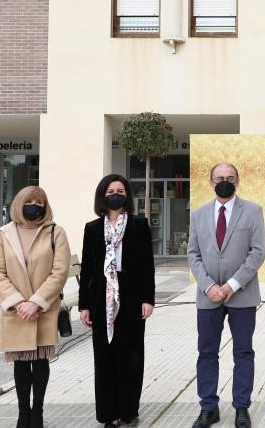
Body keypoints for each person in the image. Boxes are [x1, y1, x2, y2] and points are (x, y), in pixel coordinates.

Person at [188, 163, 265, 428]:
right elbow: (193, 254)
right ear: (210, 182)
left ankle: (241, 407)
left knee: (243, 352)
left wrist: (232, 285)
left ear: (238, 181)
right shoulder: (198, 215)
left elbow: (257, 253)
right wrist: (209, 286)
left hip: (241, 295)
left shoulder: (253, 211)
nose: (225, 181)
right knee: (206, 352)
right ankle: (208, 407)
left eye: (230, 178)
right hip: (207, 296)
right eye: (219, 178)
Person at [0, 186, 71, 428]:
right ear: (19, 203)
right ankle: (23, 413)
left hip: (43, 309)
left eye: (40, 201)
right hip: (16, 312)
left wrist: (36, 302)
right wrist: (18, 302)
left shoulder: (55, 232)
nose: (35, 205)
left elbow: (60, 271)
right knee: (21, 363)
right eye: (30, 200)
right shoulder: (3, 234)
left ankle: (38, 413)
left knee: (41, 361)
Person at [79, 174, 156, 427]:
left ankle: (128, 410)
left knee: (132, 355)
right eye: (111, 190)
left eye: (120, 190)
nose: (115, 194)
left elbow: (147, 265)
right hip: (101, 297)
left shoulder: (138, 225)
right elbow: (88, 268)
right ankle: (108, 413)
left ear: (127, 196)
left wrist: (148, 298)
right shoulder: (92, 228)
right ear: (103, 195)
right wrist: (84, 306)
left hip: (132, 296)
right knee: (104, 357)